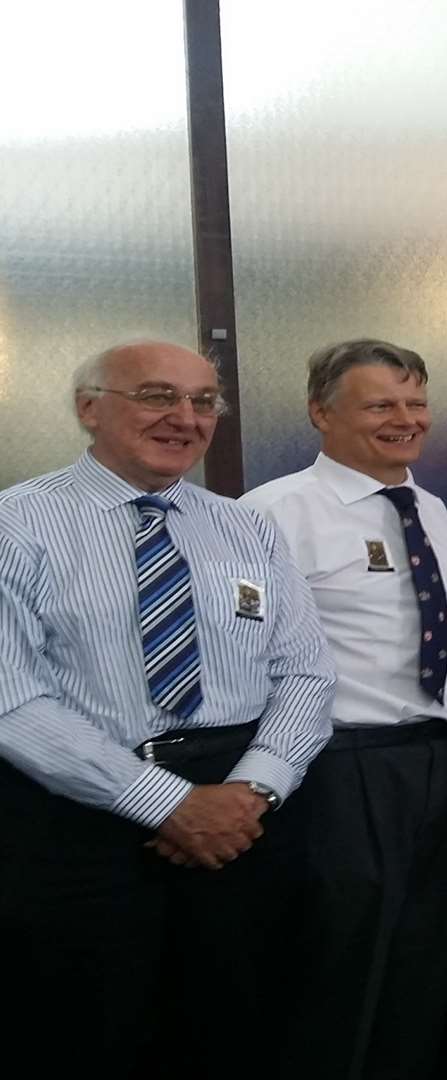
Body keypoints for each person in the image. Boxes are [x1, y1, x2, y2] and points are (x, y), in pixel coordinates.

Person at [0, 340, 335, 1071]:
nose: (185, 417)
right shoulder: (15, 523)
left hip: (245, 818)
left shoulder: (247, 526)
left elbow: (306, 674)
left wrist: (251, 792)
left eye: (203, 400)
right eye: (157, 396)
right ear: (89, 408)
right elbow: (11, 700)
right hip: (78, 817)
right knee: (84, 1036)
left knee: (242, 1031)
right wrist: (168, 804)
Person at [241, 339, 447, 1078]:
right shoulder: (272, 513)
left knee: (423, 965)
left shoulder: (431, 508)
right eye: (381, 403)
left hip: (443, 760)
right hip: (338, 770)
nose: (405, 419)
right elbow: (243, 653)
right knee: (337, 971)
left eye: (416, 403)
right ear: (321, 412)